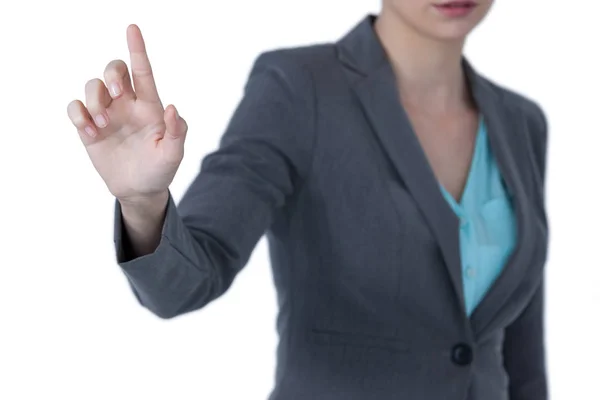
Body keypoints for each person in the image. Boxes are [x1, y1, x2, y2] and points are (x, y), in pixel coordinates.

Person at [67, 1, 549, 399]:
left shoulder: (521, 123)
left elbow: (520, 353)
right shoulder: (298, 88)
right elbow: (187, 282)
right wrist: (143, 201)